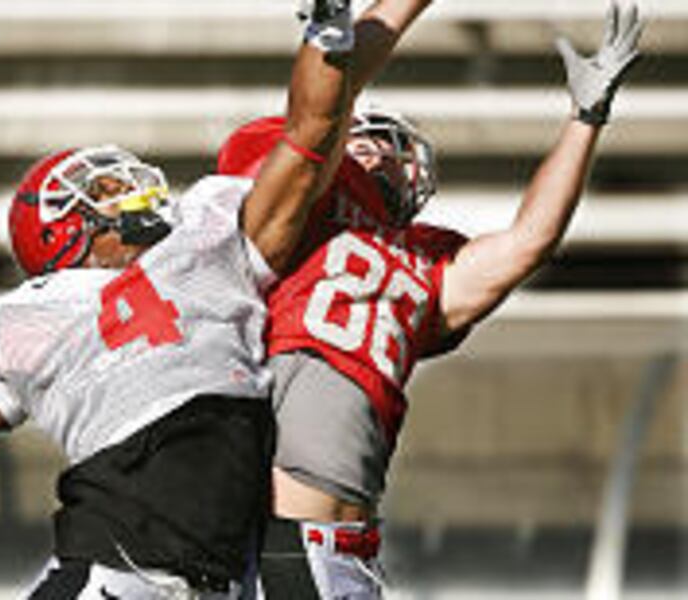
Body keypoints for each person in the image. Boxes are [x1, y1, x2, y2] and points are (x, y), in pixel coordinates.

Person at [0, 1, 416, 597]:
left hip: (202, 580)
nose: (136, 187)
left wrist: (330, 29)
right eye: (107, 188)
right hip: (112, 570)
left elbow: (311, 132)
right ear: (64, 230)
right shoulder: (29, 316)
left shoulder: (212, 241)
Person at [217, 1, 644, 597]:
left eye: (388, 148)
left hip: (349, 540)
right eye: (366, 142)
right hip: (282, 531)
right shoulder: (291, 216)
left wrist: (586, 117)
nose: (381, 154)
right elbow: (315, 117)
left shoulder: (423, 258)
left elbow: (527, 244)